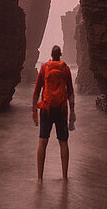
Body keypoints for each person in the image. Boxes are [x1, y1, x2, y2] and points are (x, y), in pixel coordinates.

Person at [32, 43, 75, 182]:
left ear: (51, 55)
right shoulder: (65, 69)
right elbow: (70, 93)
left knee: (42, 142)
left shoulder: (44, 68)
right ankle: (64, 177)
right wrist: (72, 112)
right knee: (63, 142)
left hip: (46, 109)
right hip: (61, 109)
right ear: (60, 55)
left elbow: (37, 90)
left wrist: (34, 111)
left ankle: (39, 178)